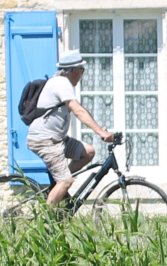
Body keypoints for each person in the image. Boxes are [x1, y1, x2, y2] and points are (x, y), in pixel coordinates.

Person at [26, 49, 117, 207]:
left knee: (88, 152)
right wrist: (102, 133)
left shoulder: (61, 83)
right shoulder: (61, 83)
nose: (82, 74)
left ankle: (57, 184)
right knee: (66, 181)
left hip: (57, 139)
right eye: (82, 70)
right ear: (74, 70)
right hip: (45, 140)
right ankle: (46, 225)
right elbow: (78, 111)